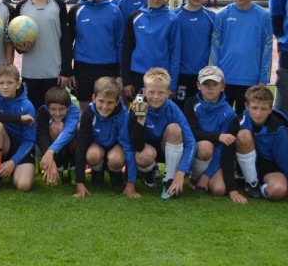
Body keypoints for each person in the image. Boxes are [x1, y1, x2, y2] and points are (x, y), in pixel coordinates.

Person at [180, 66, 253, 202]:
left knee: (219, 190)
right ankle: (194, 177)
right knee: (205, 146)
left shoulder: (229, 113)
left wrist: (207, 175)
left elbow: (224, 147)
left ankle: (205, 176)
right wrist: (218, 137)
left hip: (218, 155)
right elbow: (192, 133)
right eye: (206, 84)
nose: (210, 88)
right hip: (197, 151)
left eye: (215, 84)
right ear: (198, 86)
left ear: (223, 87)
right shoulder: (191, 103)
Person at [126, 68, 197, 200]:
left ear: (168, 93)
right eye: (151, 92)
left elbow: (191, 142)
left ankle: (169, 179)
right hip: (146, 150)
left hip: (167, 148)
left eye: (161, 92)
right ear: (144, 91)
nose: (156, 97)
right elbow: (134, 145)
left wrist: (180, 174)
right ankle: (148, 174)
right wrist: (141, 118)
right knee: (143, 155)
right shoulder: (138, 105)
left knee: (174, 129)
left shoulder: (172, 108)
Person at [13, 0, 72, 113]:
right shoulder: (21, 7)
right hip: (30, 73)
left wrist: (66, 71)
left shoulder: (59, 5)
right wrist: (19, 48)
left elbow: (66, 40)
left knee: (55, 115)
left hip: (54, 73)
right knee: (32, 115)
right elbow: (16, 41)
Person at [210, 0, 272, 116]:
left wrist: (263, 79)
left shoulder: (264, 16)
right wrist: (215, 74)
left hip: (251, 80)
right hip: (225, 79)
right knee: (222, 119)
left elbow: (267, 48)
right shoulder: (222, 15)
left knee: (246, 122)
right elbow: (215, 46)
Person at [68, 0, 123, 111]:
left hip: (108, 68)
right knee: (85, 108)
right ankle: (84, 127)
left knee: (107, 108)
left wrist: (119, 74)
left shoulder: (114, 11)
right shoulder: (76, 10)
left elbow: (120, 44)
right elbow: (68, 43)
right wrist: (70, 71)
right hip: (83, 67)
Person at [72, 77, 135, 199]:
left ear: (117, 102)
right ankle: (97, 172)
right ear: (94, 98)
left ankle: (115, 173)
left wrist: (130, 182)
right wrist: (80, 183)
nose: (105, 106)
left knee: (116, 158)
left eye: (110, 102)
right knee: (92, 154)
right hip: (97, 146)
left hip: (115, 146)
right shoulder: (88, 113)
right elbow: (81, 147)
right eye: (101, 101)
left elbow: (128, 147)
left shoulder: (123, 115)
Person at [122, 0, 180, 99]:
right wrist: (127, 80)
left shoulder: (172, 19)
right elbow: (127, 49)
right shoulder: (135, 17)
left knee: (158, 108)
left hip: (161, 76)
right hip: (138, 74)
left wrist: (172, 85)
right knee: (140, 109)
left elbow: (175, 53)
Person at [0, 63, 36, 193]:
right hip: (3, 144)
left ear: (18, 84)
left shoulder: (27, 106)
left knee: (23, 185)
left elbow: (29, 141)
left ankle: (12, 168)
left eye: (10, 83)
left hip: (21, 147)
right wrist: (20, 118)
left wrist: (13, 162)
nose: (5, 87)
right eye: (1, 83)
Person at [234, 85, 288, 202]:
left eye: (264, 109)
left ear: (270, 109)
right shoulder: (238, 121)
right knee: (243, 135)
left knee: (278, 191)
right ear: (247, 106)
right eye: (254, 108)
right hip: (240, 164)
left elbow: (282, 158)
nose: (258, 113)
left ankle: (260, 187)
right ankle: (249, 182)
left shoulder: (278, 128)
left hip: (266, 165)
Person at [173, 0, 214, 105]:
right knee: (180, 111)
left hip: (203, 76)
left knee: (200, 112)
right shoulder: (174, 17)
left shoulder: (211, 18)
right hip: (180, 75)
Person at [35, 86, 81, 185]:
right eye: (53, 109)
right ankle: (58, 166)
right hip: (55, 151)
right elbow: (42, 136)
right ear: (47, 107)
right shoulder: (42, 111)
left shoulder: (74, 110)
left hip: (69, 148)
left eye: (62, 109)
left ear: (68, 107)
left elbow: (69, 131)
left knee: (78, 127)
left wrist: (51, 151)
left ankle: (73, 166)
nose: (57, 113)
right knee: (56, 126)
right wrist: (50, 159)